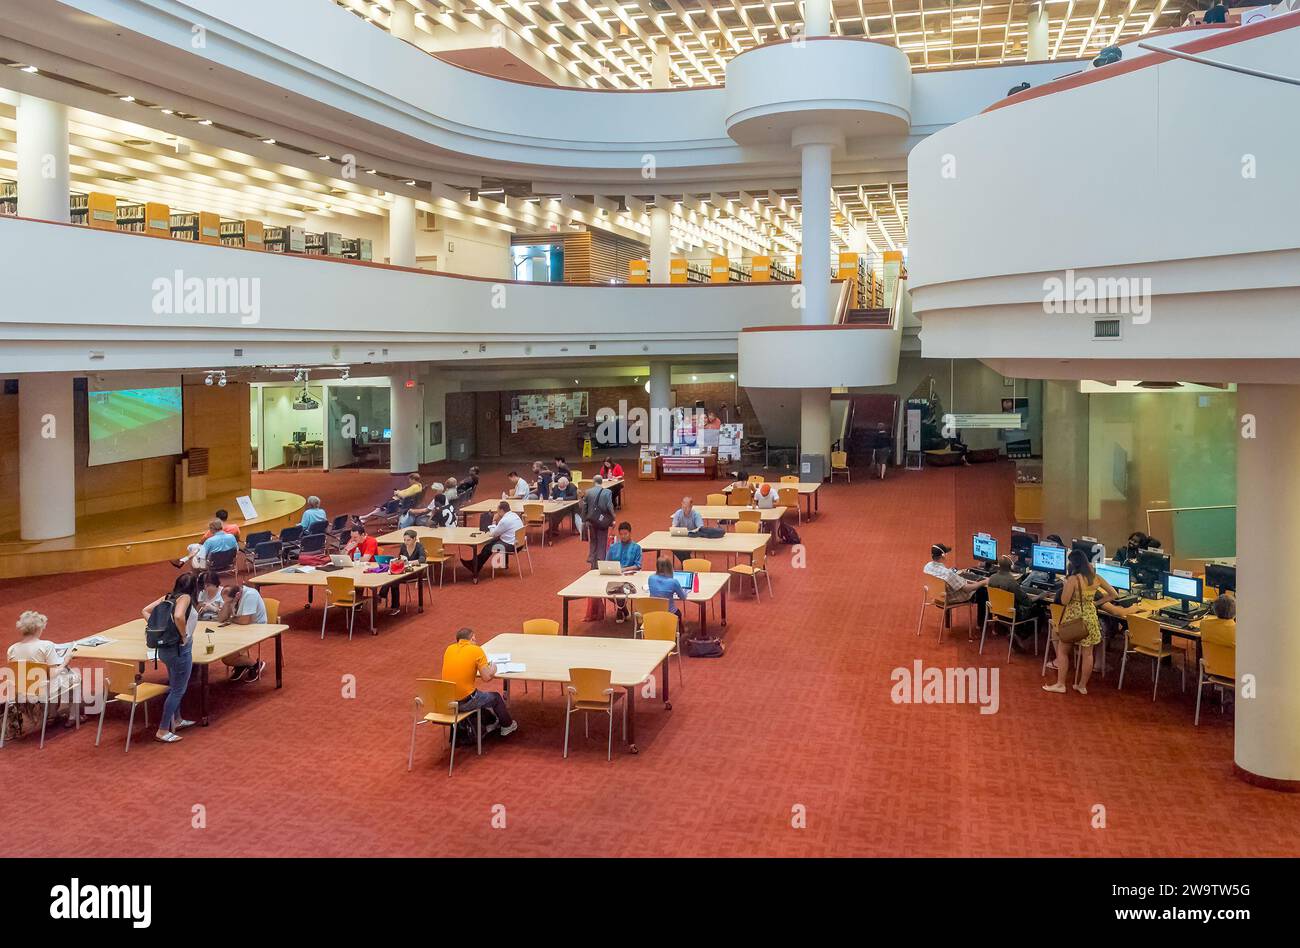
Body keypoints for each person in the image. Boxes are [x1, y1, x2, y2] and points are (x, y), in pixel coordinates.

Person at [1043, 549, 1116, 696]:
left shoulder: (1073, 580)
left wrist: (1065, 585)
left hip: (1074, 618)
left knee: (1063, 651)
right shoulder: (1096, 578)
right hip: (1090, 617)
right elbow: (1114, 594)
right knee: (1088, 654)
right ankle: (1082, 686)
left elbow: (1064, 601)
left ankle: (1061, 684)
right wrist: (1096, 603)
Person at [140, 573, 198, 743]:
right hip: (179, 649)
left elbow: (145, 610)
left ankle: (177, 720)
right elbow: (179, 616)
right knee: (178, 690)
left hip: (164, 649)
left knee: (174, 685)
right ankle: (163, 729)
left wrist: (161, 629)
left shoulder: (168, 597)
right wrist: (183, 635)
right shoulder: (186, 597)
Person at [6, 611, 84, 728]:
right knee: (74, 677)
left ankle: (51, 715)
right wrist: (65, 661)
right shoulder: (46, 646)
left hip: (23, 689)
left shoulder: (12, 649)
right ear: (38, 628)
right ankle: (74, 716)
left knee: (49, 680)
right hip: (44, 689)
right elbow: (53, 674)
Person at [441, 628, 516, 737]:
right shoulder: (476, 650)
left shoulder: (449, 649)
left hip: (447, 702)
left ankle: (488, 722)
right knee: (495, 697)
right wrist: (493, 668)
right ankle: (508, 726)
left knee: (481, 695)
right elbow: (486, 678)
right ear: (472, 638)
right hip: (465, 701)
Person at [213, 578, 270, 681]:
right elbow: (221, 618)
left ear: (238, 595)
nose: (228, 603)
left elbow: (245, 621)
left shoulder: (250, 595)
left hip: (257, 628)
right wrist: (227, 604)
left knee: (227, 658)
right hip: (240, 629)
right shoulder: (230, 598)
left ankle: (255, 664)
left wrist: (231, 618)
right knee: (224, 651)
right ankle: (241, 664)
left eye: (229, 601)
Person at [987, 555, 1048, 649]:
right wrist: (1040, 596)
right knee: (1039, 610)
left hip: (998, 613)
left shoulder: (992, 578)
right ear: (1011, 567)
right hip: (1014, 614)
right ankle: (1022, 637)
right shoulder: (1011, 582)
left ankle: (1017, 633)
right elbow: (1027, 602)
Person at [924, 543, 989, 627]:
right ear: (943, 555)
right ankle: (982, 625)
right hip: (950, 598)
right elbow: (967, 589)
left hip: (937, 596)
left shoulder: (927, 566)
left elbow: (943, 574)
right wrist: (983, 582)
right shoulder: (948, 574)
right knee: (983, 592)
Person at [464, 501, 523, 575]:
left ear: (501, 510)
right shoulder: (514, 515)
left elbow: (493, 534)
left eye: (498, 511)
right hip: (519, 543)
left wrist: (494, 521)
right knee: (493, 542)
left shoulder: (505, 520)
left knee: (488, 547)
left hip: (512, 546)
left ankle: (475, 567)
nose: (497, 513)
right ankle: (474, 563)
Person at [605, 522, 643, 621]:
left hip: (630, 577)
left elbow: (638, 566)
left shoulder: (637, 547)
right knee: (605, 590)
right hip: (615, 576)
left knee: (622, 590)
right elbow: (607, 563)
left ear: (630, 533)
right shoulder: (613, 547)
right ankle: (623, 608)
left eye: (625, 534)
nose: (623, 536)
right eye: (621, 534)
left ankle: (620, 609)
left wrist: (624, 569)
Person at [387, 529, 426, 614]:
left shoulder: (419, 546)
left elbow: (422, 559)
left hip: (415, 573)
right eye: (404, 540)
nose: (406, 542)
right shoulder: (403, 546)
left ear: (414, 538)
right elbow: (400, 557)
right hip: (404, 571)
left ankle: (383, 597)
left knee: (394, 580)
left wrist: (410, 562)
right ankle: (395, 606)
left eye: (408, 540)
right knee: (392, 580)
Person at [581, 475, 616, 569]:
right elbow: (609, 507)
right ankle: (600, 563)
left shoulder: (588, 492)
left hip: (591, 521)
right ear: (602, 482)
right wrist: (613, 519)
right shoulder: (607, 492)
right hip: (602, 521)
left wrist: (584, 520)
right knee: (602, 541)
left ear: (594, 481)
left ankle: (592, 562)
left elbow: (584, 508)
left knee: (593, 541)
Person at [670, 496, 703, 565]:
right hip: (681, 537)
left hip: (692, 537)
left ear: (691, 506)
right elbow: (674, 526)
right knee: (672, 546)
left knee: (685, 549)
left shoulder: (696, 514)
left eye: (686, 507)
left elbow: (700, 528)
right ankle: (687, 562)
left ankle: (686, 563)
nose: (684, 509)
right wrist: (675, 529)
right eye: (683, 506)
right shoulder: (678, 513)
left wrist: (692, 531)